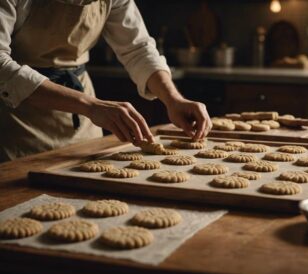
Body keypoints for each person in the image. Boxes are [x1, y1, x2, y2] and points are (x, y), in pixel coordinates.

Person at [0, 0, 212, 162]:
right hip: (16, 116)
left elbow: (137, 49)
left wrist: (173, 99)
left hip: (82, 117)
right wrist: (89, 106)